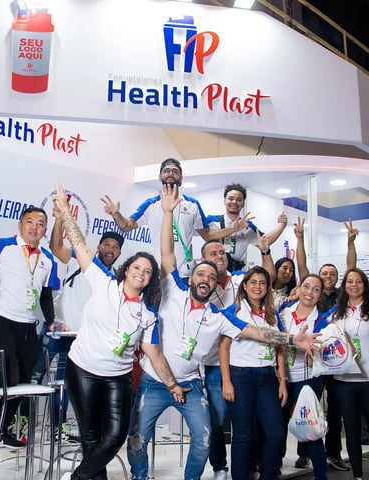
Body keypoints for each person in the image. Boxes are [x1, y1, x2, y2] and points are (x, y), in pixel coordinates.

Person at [127, 183, 320, 480]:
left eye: (210, 275)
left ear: (216, 279)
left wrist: (294, 339)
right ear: (191, 277)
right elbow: (166, 253)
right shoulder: (173, 291)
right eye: (200, 274)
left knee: (204, 440)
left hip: (190, 385)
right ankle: (139, 475)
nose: (205, 279)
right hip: (154, 382)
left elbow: (258, 332)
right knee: (138, 437)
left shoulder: (219, 316)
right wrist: (167, 214)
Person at [52, 184, 187, 480]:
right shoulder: (103, 282)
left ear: (151, 280)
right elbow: (79, 244)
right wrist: (64, 210)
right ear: (126, 269)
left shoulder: (147, 315)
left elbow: (154, 354)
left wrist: (172, 384)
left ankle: (77, 477)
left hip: (117, 377)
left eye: (148, 271)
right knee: (91, 437)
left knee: (114, 436)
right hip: (83, 370)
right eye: (137, 267)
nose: (141, 273)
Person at [0, 207, 58, 449]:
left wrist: (51, 321)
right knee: (7, 373)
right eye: (29, 221)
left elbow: (45, 295)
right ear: (20, 225)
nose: (34, 227)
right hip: (0, 318)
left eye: (40, 223)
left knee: (23, 382)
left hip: (28, 325)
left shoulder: (47, 259)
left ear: (45, 229)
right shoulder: (4, 246)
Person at [200, 235, 275, 480]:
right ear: (203, 260)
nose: (220, 256)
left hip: (243, 362)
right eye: (214, 253)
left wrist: (265, 252)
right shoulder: (202, 284)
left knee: (247, 423)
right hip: (215, 363)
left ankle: (250, 466)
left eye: (222, 252)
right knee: (218, 419)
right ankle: (220, 466)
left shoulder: (238, 279)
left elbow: (267, 277)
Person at [102, 158, 251, 279]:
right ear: (160, 176)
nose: (170, 173)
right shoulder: (151, 204)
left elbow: (207, 235)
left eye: (175, 171)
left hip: (184, 273)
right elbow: (127, 226)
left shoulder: (192, 205)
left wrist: (233, 229)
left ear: (181, 177)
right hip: (157, 272)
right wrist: (116, 214)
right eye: (166, 171)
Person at [48, 209, 125, 442]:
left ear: (119, 253)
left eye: (116, 247)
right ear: (98, 246)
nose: (110, 249)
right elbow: (56, 248)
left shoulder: (116, 278)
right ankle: (51, 428)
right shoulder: (84, 260)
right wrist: (60, 219)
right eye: (107, 244)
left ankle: (81, 430)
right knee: (51, 381)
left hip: (88, 339)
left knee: (80, 387)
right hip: (63, 333)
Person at [292, 216, 357, 471]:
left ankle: (333, 454)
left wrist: (350, 243)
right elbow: (302, 267)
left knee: (333, 411)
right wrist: (299, 238)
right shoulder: (310, 298)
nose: (328, 276)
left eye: (332, 273)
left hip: (336, 363)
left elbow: (352, 269)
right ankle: (303, 453)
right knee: (306, 407)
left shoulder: (340, 298)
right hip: (311, 364)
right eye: (324, 273)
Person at [219, 266, 288, 480]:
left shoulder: (272, 313)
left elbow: (279, 347)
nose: (258, 287)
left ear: (267, 288)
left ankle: (268, 475)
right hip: (240, 376)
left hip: (267, 377)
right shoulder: (234, 311)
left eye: (263, 283)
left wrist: (282, 380)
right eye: (254, 282)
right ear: (245, 286)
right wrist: (226, 382)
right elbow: (223, 347)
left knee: (276, 432)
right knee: (243, 435)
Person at [279, 274, 329, 480]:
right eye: (306, 286)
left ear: (320, 294)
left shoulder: (322, 321)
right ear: (299, 288)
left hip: (307, 380)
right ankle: (273, 468)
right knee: (276, 427)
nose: (310, 292)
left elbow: (320, 358)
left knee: (310, 428)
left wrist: (312, 354)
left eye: (316, 289)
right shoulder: (283, 311)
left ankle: (320, 475)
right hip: (281, 378)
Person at [330, 267, 369, 480]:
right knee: (352, 430)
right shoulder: (337, 312)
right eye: (350, 282)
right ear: (344, 286)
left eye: (359, 281)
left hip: (367, 378)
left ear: (365, 285)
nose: (354, 285)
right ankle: (358, 475)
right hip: (343, 380)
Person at [207, 183, 288, 270]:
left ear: (243, 204)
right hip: (214, 270)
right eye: (231, 198)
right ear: (224, 201)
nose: (234, 202)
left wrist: (282, 225)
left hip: (238, 272)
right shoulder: (211, 221)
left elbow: (265, 241)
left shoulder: (247, 226)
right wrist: (232, 229)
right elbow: (205, 234)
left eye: (238, 200)